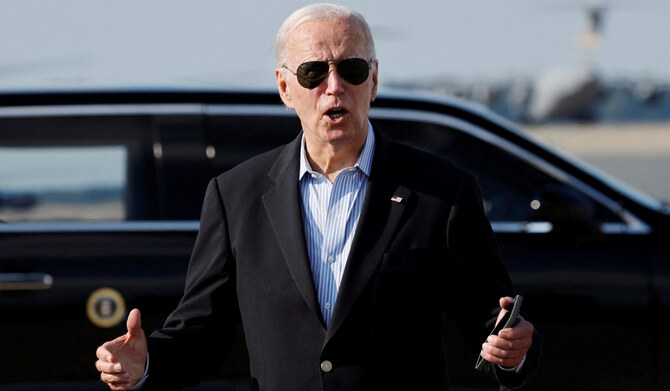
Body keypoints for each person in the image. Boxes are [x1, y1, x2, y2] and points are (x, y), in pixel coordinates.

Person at [95, 3, 541, 391]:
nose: (334, 86)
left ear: (374, 80)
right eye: (313, 72)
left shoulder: (441, 191)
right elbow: (201, 332)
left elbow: (494, 323)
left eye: (352, 69)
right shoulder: (237, 196)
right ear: (285, 87)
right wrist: (146, 363)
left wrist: (514, 349)